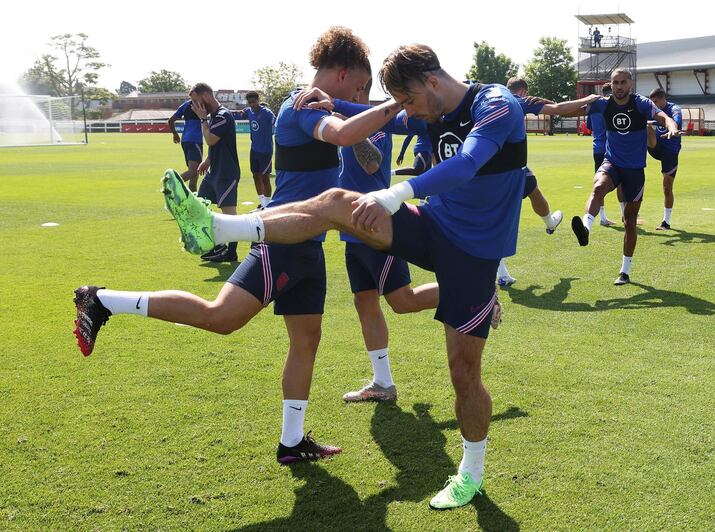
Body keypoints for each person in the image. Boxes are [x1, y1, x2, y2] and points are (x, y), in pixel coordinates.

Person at [148, 43, 530, 510]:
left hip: (475, 253)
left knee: (463, 373)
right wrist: (335, 104)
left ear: (431, 82)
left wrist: (394, 194)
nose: (406, 111)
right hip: (433, 227)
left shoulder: (495, 104)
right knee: (335, 202)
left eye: (406, 100)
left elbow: (468, 162)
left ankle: (470, 472)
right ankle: (217, 227)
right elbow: (386, 118)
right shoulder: (428, 107)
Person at [73, 26, 385, 466]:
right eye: (358, 86)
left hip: (309, 246)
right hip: (282, 239)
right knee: (220, 317)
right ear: (340, 72)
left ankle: (292, 442)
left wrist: (357, 120)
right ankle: (101, 300)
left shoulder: (326, 107)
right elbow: (341, 135)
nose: (360, 94)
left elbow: (365, 156)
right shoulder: (302, 106)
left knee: (306, 340)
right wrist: (385, 110)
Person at [337, 79, 439, 402]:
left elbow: (372, 164)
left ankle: (477, 292)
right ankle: (383, 383)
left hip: (376, 225)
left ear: (362, 90)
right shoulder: (348, 121)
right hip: (351, 229)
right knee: (364, 303)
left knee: (402, 301)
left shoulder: (376, 127)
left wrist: (349, 132)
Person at [570, 69, 679, 285]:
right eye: (615, 83)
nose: (618, 86)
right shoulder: (603, 103)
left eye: (622, 82)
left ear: (630, 84)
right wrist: (544, 108)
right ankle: (586, 228)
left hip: (634, 170)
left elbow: (663, 116)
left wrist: (672, 125)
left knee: (629, 221)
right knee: (598, 188)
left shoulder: (641, 103)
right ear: (610, 85)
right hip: (612, 162)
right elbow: (569, 110)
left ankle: (625, 271)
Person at [495, 76, 568, 286]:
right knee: (503, 220)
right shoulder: (518, 101)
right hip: (511, 167)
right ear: (524, 91)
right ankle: (550, 223)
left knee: (532, 189)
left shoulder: (492, 99)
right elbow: (555, 107)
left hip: (490, 164)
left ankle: (551, 223)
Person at [192, 83, 241, 263]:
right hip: (214, 172)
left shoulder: (222, 116)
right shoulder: (213, 116)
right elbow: (217, 145)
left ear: (205, 96)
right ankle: (218, 245)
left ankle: (231, 252)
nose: (194, 105)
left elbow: (211, 140)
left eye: (195, 101)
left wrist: (203, 119)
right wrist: (207, 160)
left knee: (229, 215)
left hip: (226, 172)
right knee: (200, 207)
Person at [646, 87, 683, 230]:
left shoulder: (674, 108)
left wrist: (672, 129)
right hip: (656, 146)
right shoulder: (651, 108)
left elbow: (676, 121)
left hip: (670, 152)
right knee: (645, 128)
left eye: (655, 101)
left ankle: (666, 222)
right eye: (652, 102)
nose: (653, 104)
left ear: (663, 99)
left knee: (667, 187)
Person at [232, 91, 275, 209]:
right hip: (254, 150)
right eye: (249, 102)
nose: (252, 105)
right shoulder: (248, 111)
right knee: (256, 176)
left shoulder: (267, 113)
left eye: (254, 102)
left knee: (265, 177)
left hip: (266, 151)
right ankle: (262, 203)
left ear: (258, 100)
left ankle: (268, 205)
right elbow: (240, 114)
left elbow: (276, 123)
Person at [587, 83, 619, 225]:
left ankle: (603, 218)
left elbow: (589, 126)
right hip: (612, 149)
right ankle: (625, 215)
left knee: (598, 184)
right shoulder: (611, 107)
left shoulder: (594, 108)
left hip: (597, 148)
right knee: (621, 182)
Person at [168, 97, 203, 192]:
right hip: (195, 140)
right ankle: (171, 184)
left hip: (185, 140)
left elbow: (171, 120)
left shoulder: (185, 105)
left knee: (194, 174)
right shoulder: (201, 104)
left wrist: (175, 134)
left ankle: (193, 201)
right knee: (194, 171)